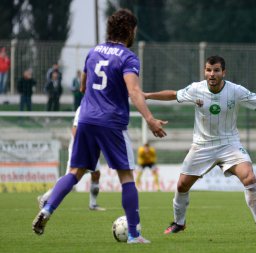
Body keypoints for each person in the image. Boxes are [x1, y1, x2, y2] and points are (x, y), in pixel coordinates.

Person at [32, 9, 167, 244]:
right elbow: (134, 91)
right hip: (111, 122)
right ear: (129, 30)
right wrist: (150, 119)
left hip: (85, 118)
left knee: (75, 172)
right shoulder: (128, 57)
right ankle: (134, 235)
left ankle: (47, 209)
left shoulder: (93, 52)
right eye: (134, 29)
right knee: (126, 177)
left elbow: (83, 86)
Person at [144, 55, 256, 235]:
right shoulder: (196, 89)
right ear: (205, 71)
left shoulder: (235, 91)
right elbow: (174, 94)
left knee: (249, 178)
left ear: (223, 72)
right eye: (208, 70)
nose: (211, 74)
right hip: (202, 145)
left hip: (229, 144)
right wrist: (148, 96)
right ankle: (179, 223)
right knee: (182, 186)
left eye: (216, 70)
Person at [37, 106, 106, 211]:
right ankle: (45, 197)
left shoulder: (100, 107)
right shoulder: (84, 107)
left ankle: (93, 204)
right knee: (70, 178)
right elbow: (75, 129)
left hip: (91, 147)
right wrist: (81, 146)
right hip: (79, 147)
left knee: (96, 173)